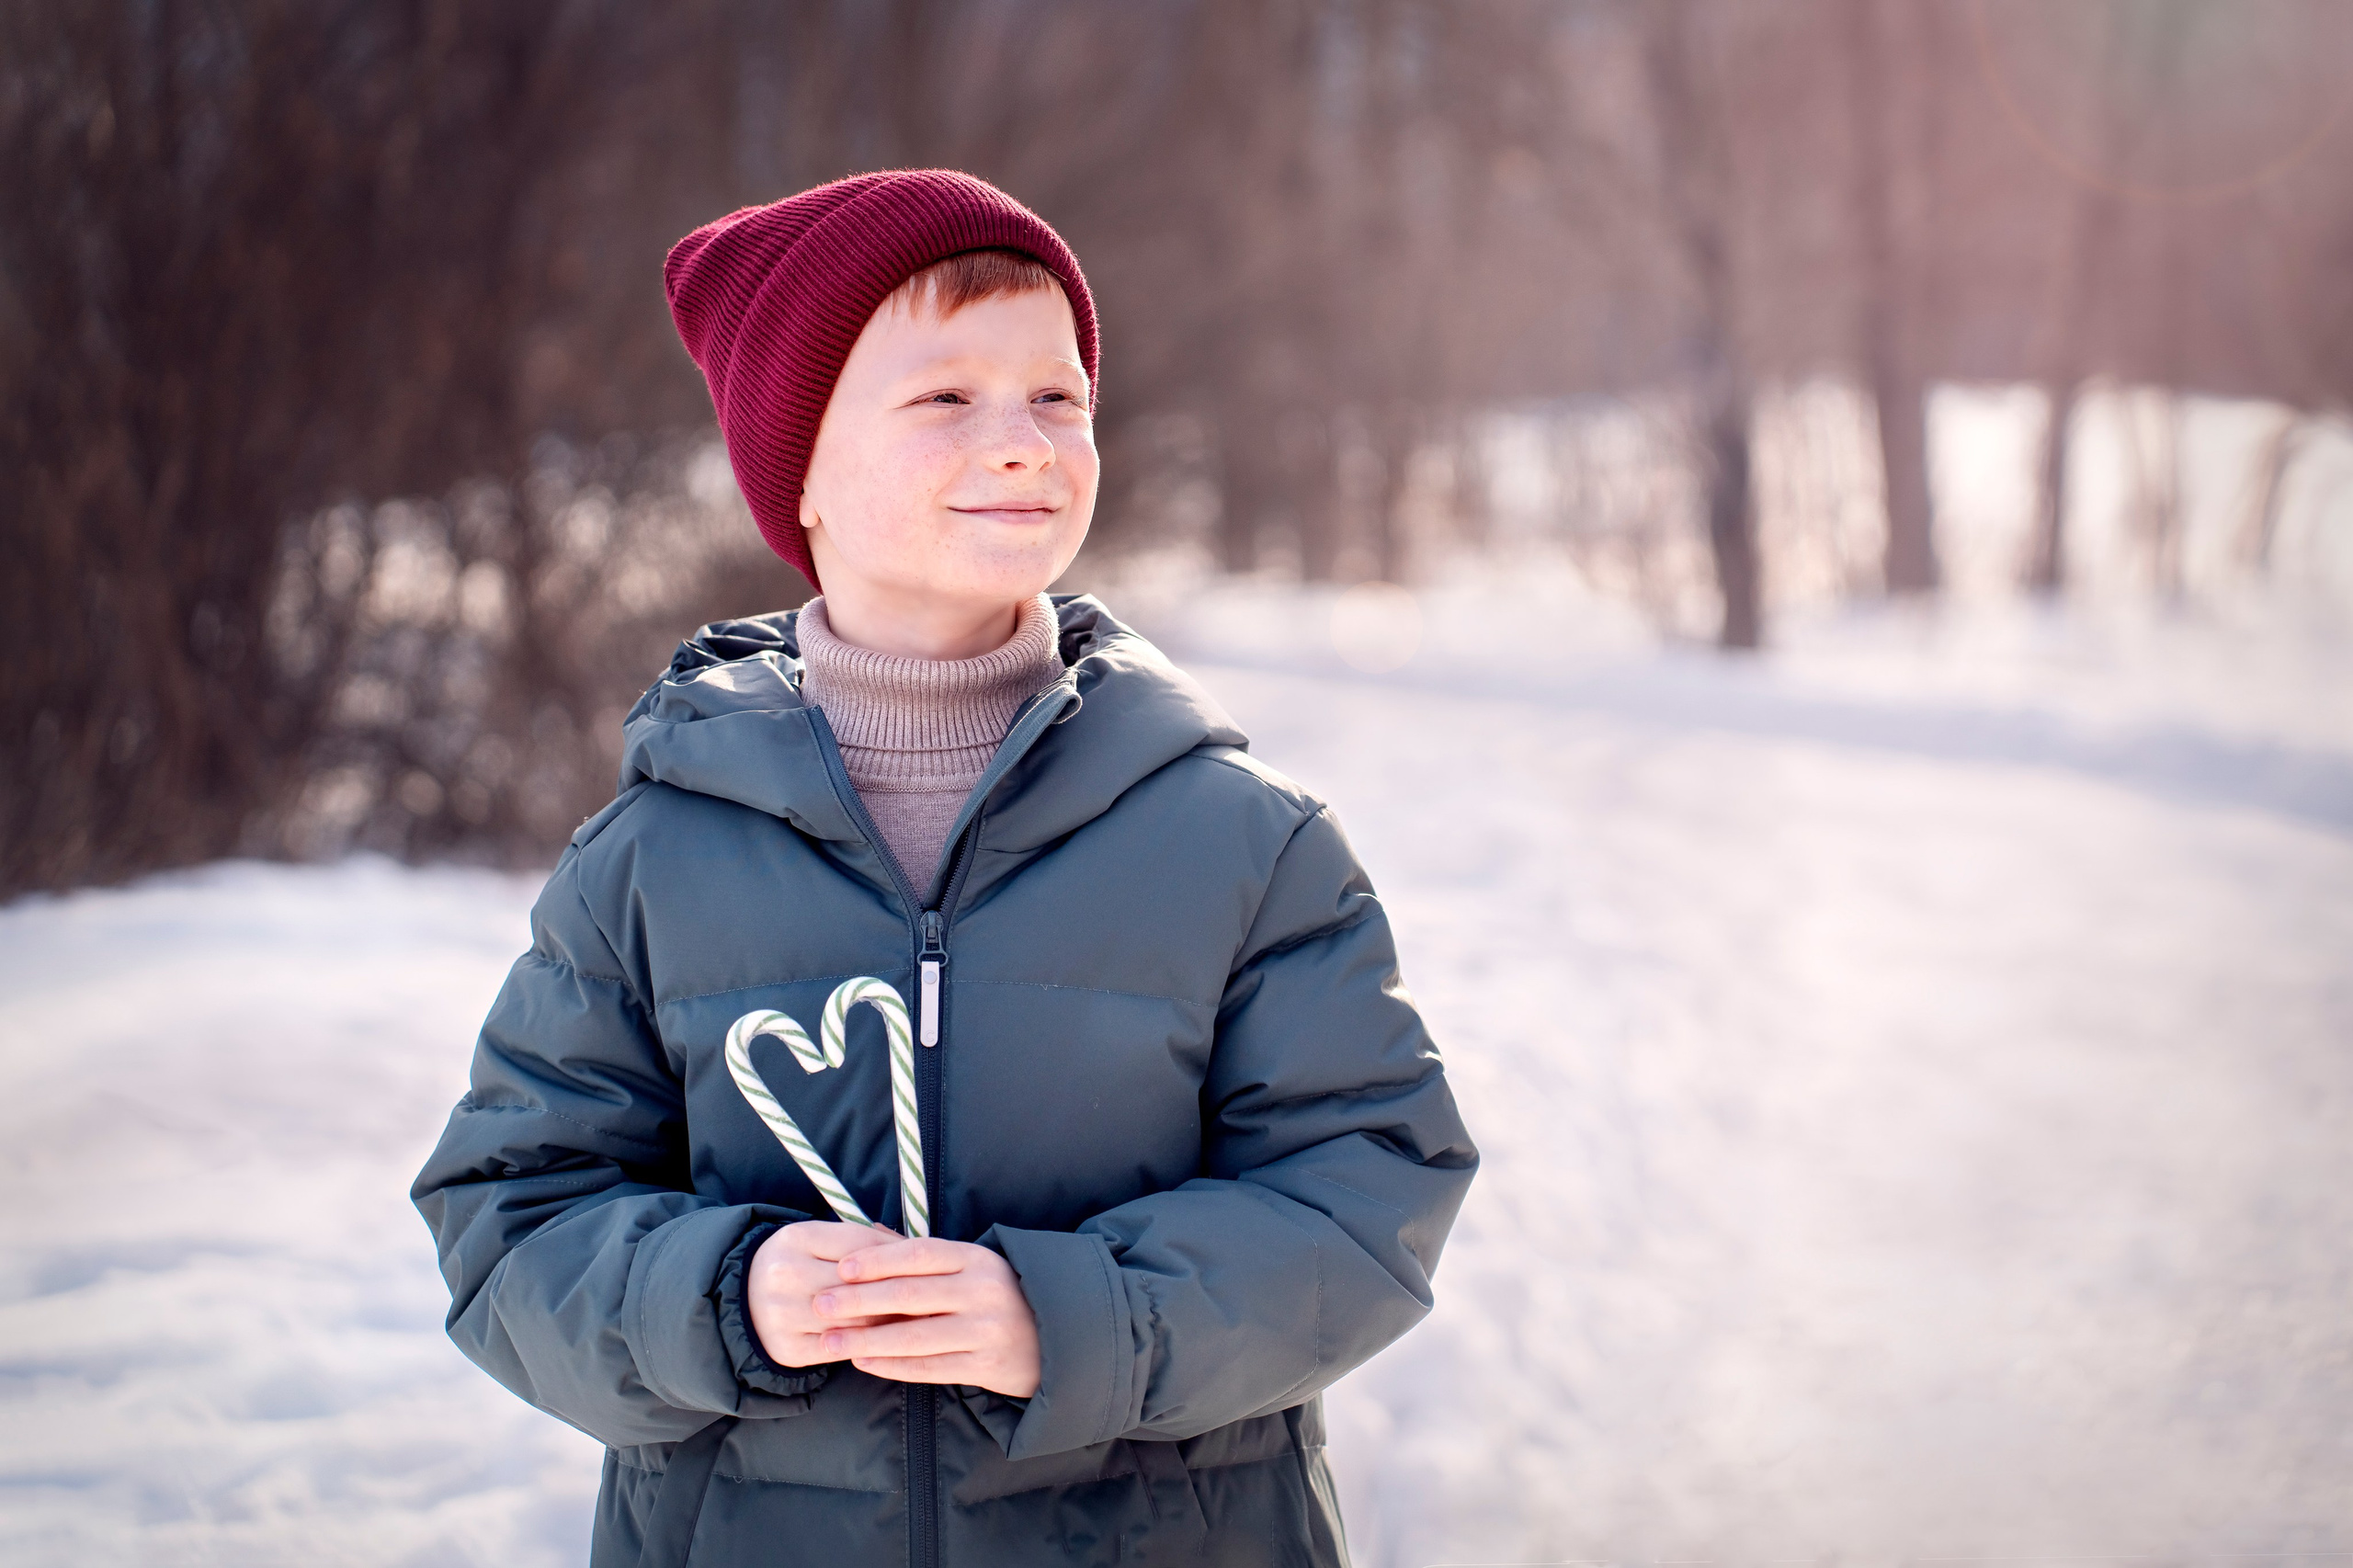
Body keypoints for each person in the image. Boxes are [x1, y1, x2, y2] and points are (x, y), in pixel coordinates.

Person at [412, 168, 1476, 1568]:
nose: (1025, 440)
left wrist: (1082, 1315)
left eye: (1059, 397)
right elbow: (511, 1217)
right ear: (797, 468)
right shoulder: (654, 858)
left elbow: (1370, 1184)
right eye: (945, 400)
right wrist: (721, 1294)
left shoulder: (1237, 837)